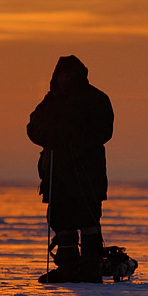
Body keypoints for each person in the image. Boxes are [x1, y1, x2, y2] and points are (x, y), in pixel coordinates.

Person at [26, 55, 114, 283]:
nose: (64, 79)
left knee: (88, 220)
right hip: (57, 175)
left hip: (86, 173)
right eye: (61, 74)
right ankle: (67, 267)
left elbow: (104, 131)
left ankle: (90, 268)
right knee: (61, 221)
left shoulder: (96, 99)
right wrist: (50, 137)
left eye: (68, 74)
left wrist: (75, 138)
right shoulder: (51, 101)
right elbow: (33, 126)